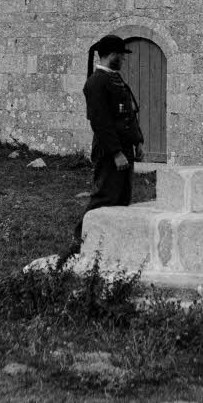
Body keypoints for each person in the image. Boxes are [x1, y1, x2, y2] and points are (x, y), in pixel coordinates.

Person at [57, 34, 145, 266]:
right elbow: (101, 122)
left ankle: (110, 246)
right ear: (111, 55)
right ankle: (79, 243)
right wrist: (116, 153)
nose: (123, 60)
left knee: (122, 198)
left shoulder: (115, 79)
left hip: (124, 149)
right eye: (121, 56)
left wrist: (138, 141)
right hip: (109, 152)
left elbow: (128, 113)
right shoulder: (96, 83)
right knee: (104, 197)